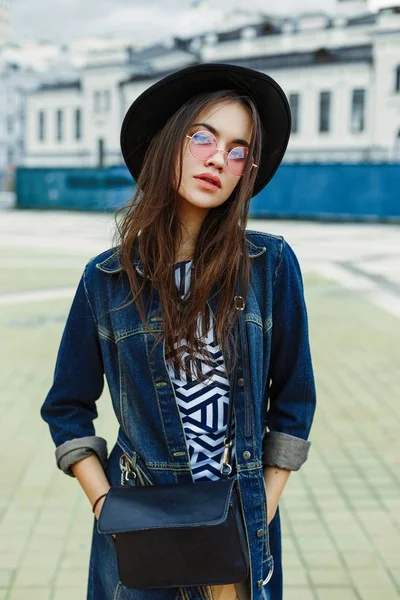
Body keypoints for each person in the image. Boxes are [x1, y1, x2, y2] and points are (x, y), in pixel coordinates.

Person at [40, 63, 317, 600]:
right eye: (203, 137)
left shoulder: (271, 267)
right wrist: (106, 508)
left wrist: (257, 513)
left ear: (245, 171)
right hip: (142, 533)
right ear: (169, 142)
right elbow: (66, 408)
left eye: (238, 150)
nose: (219, 158)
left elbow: (294, 404)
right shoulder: (106, 280)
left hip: (238, 533)